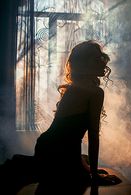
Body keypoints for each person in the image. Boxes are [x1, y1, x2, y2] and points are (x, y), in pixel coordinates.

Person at [0, 40, 121, 195]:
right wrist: (94, 175)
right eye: (98, 59)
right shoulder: (95, 92)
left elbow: (67, 134)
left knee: (84, 162)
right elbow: (93, 135)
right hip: (59, 151)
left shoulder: (73, 88)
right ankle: (20, 166)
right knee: (79, 173)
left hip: (49, 146)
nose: (104, 62)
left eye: (102, 58)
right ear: (86, 63)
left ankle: (24, 166)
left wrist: (89, 169)